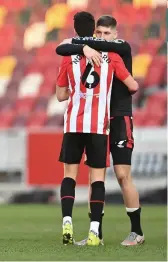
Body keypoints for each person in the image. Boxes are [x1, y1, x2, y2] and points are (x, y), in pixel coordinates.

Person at [56, 15, 144, 246]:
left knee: (123, 174)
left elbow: (63, 48)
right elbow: (63, 48)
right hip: (97, 120)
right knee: (97, 174)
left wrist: (84, 45)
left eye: (107, 33)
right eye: (99, 33)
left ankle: (137, 231)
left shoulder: (120, 47)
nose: (102, 37)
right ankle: (98, 233)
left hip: (119, 117)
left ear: (115, 34)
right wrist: (84, 46)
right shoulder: (93, 52)